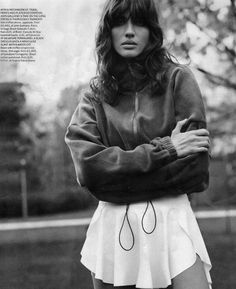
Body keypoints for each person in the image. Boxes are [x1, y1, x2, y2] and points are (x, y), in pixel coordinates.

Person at [65, 0, 212, 288]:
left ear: (152, 31)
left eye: (139, 22)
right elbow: (87, 168)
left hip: (172, 219)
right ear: (108, 31)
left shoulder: (178, 80)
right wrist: (166, 150)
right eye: (120, 22)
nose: (129, 32)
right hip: (114, 227)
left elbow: (195, 170)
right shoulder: (94, 96)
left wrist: (116, 182)